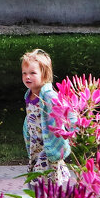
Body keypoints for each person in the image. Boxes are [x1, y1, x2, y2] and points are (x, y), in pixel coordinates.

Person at [21, 49, 72, 186]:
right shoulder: (29, 95)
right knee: (37, 179)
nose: (27, 77)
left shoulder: (49, 95)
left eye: (33, 73)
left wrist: (72, 129)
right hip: (35, 145)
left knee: (46, 181)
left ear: (44, 75)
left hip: (48, 147)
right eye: (24, 73)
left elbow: (67, 112)